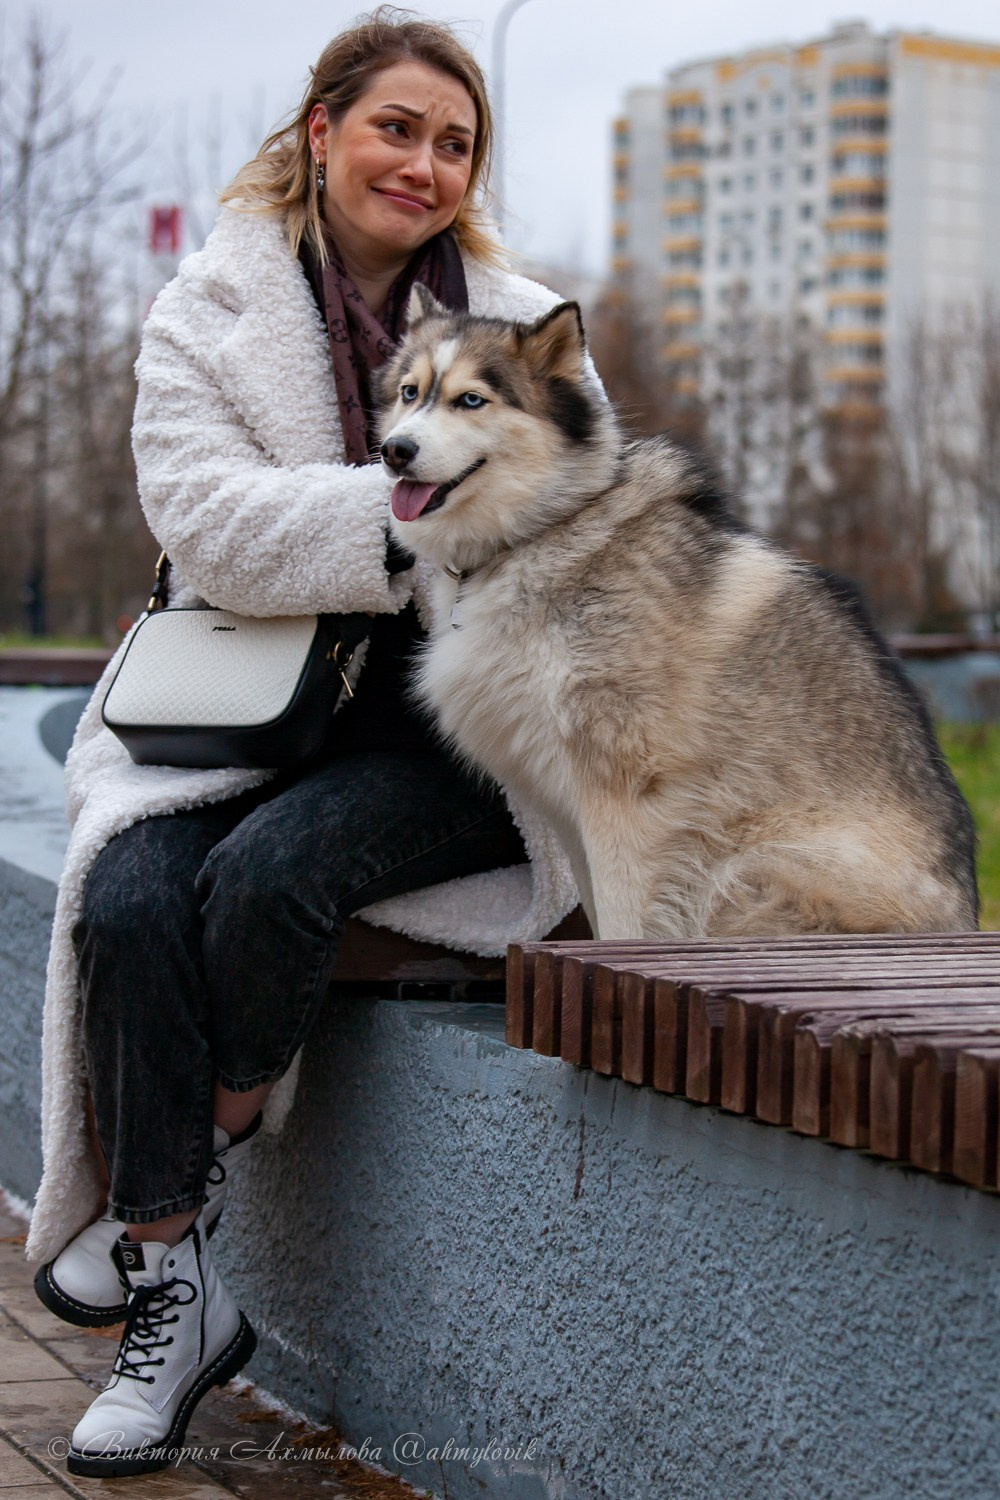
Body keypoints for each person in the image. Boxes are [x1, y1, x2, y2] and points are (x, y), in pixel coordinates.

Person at [26, 8, 578, 1478]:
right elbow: (205, 521)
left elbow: (578, 523)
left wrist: (416, 515)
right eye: (398, 127)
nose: (426, 163)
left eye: (456, 142)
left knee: (270, 877)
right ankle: (181, 1296)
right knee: (135, 894)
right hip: (254, 717)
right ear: (323, 130)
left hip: (458, 741)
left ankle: (158, 1220)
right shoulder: (204, 311)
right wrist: (414, 510)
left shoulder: (526, 319)